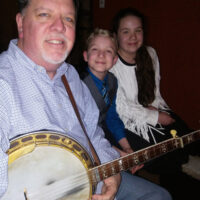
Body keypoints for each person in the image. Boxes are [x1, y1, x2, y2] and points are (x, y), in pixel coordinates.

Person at [0, 1, 173, 200]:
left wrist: (112, 172)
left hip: (94, 176)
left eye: (68, 18)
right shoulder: (4, 83)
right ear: (21, 23)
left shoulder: (70, 76)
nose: (60, 27)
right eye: (45, 15)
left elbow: (92, 131)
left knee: (158, 195)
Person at [109, 7, 196, 199]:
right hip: (127, 121)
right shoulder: (112, 63)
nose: (133, 37)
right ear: (115, 36)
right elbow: (121, 109)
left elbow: (155, 93)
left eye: (138, 30)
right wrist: (155, 117)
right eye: (126, 31)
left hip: (150, 109)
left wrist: (159, 111)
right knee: (168, 154)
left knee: (186, 136)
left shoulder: (150, 54)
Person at [81, 27, 173, 199]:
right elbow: (86, 131)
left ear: (114, 59)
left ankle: (121, 180)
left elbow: (112, 117)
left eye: (108, 51)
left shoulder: (112, 81)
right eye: (95, 50)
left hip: (104, 132)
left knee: (138, 154)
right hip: (87, 142)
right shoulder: (80, 86)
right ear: (85, 56)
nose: (101, 55)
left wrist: (126, 147)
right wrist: (117, 152)